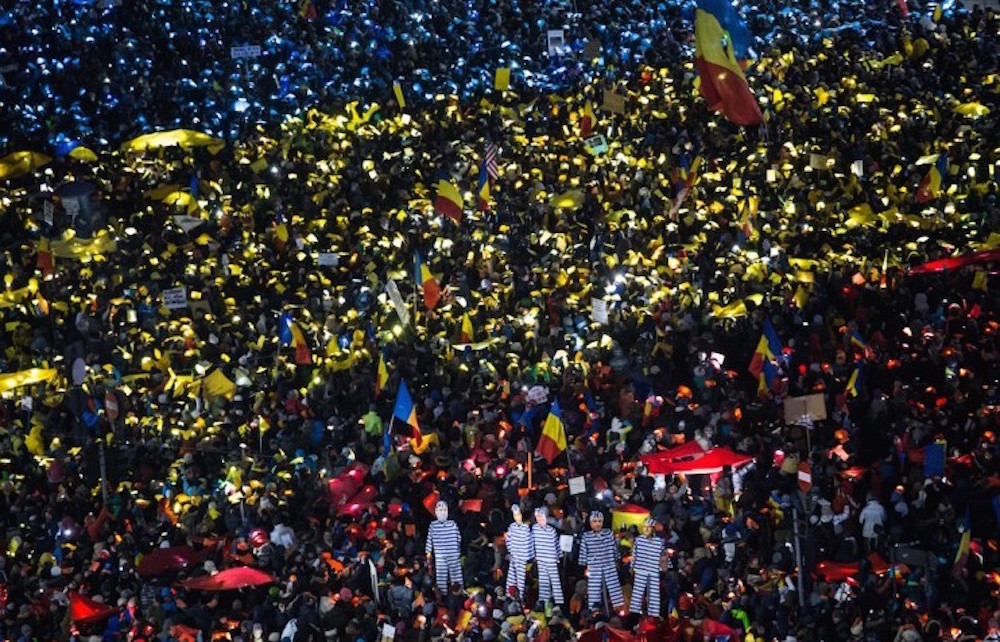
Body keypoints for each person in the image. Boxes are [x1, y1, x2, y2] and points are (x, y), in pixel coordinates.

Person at [578, 511, 624, 614]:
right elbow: (583, 551)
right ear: (590, 523)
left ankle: (619, 610)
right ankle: (595, 612)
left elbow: (614, 548)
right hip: (594, 567)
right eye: (594, 521)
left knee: (614, 587)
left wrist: (617, 558)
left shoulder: (608, 533)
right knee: (594, 591)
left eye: (599, 521)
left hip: (609, 564)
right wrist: (584, 563)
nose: (597, 524)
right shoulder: (586, 536)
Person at [426, 501, 463, 595]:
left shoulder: (453, 524)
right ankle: (442, 595)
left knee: (456, 576)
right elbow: (429, 539)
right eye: (440, 510)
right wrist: (428, 552)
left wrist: (458, 551)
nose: (442, 512)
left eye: (444, 510)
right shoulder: (433, 526)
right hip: (440, 555)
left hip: (453, 554)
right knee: (441, 577)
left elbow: (458, 538)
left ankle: (459, 592)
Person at [629, 517, 664, 618]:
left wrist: (661, 569)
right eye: (644, 527)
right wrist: (632, 567)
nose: (646, 529)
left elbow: (662, 556)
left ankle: (653, 616)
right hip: (641, 570)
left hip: (653, 570)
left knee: (653, 595)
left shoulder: (659, 542)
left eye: (649, 527)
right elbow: (634, 555)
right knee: (638, 593)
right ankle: (635, 616)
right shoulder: (639, 540)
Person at [532, 506, 564, 610]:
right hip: (543, 559)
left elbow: (556, 544)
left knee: (553, 582)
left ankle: (556, 604)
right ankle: (548, 605)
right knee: (546, 582)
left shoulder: (550, 529)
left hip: (549, 559)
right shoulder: (535, 529)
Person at [505, 504, 534, 602]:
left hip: (518, 558)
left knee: (515, 580)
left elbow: (508, 541)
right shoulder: (527, 529)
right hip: (521, 559)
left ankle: (514, 599)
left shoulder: (514, 527)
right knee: (517, 581)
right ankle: (516, 599)